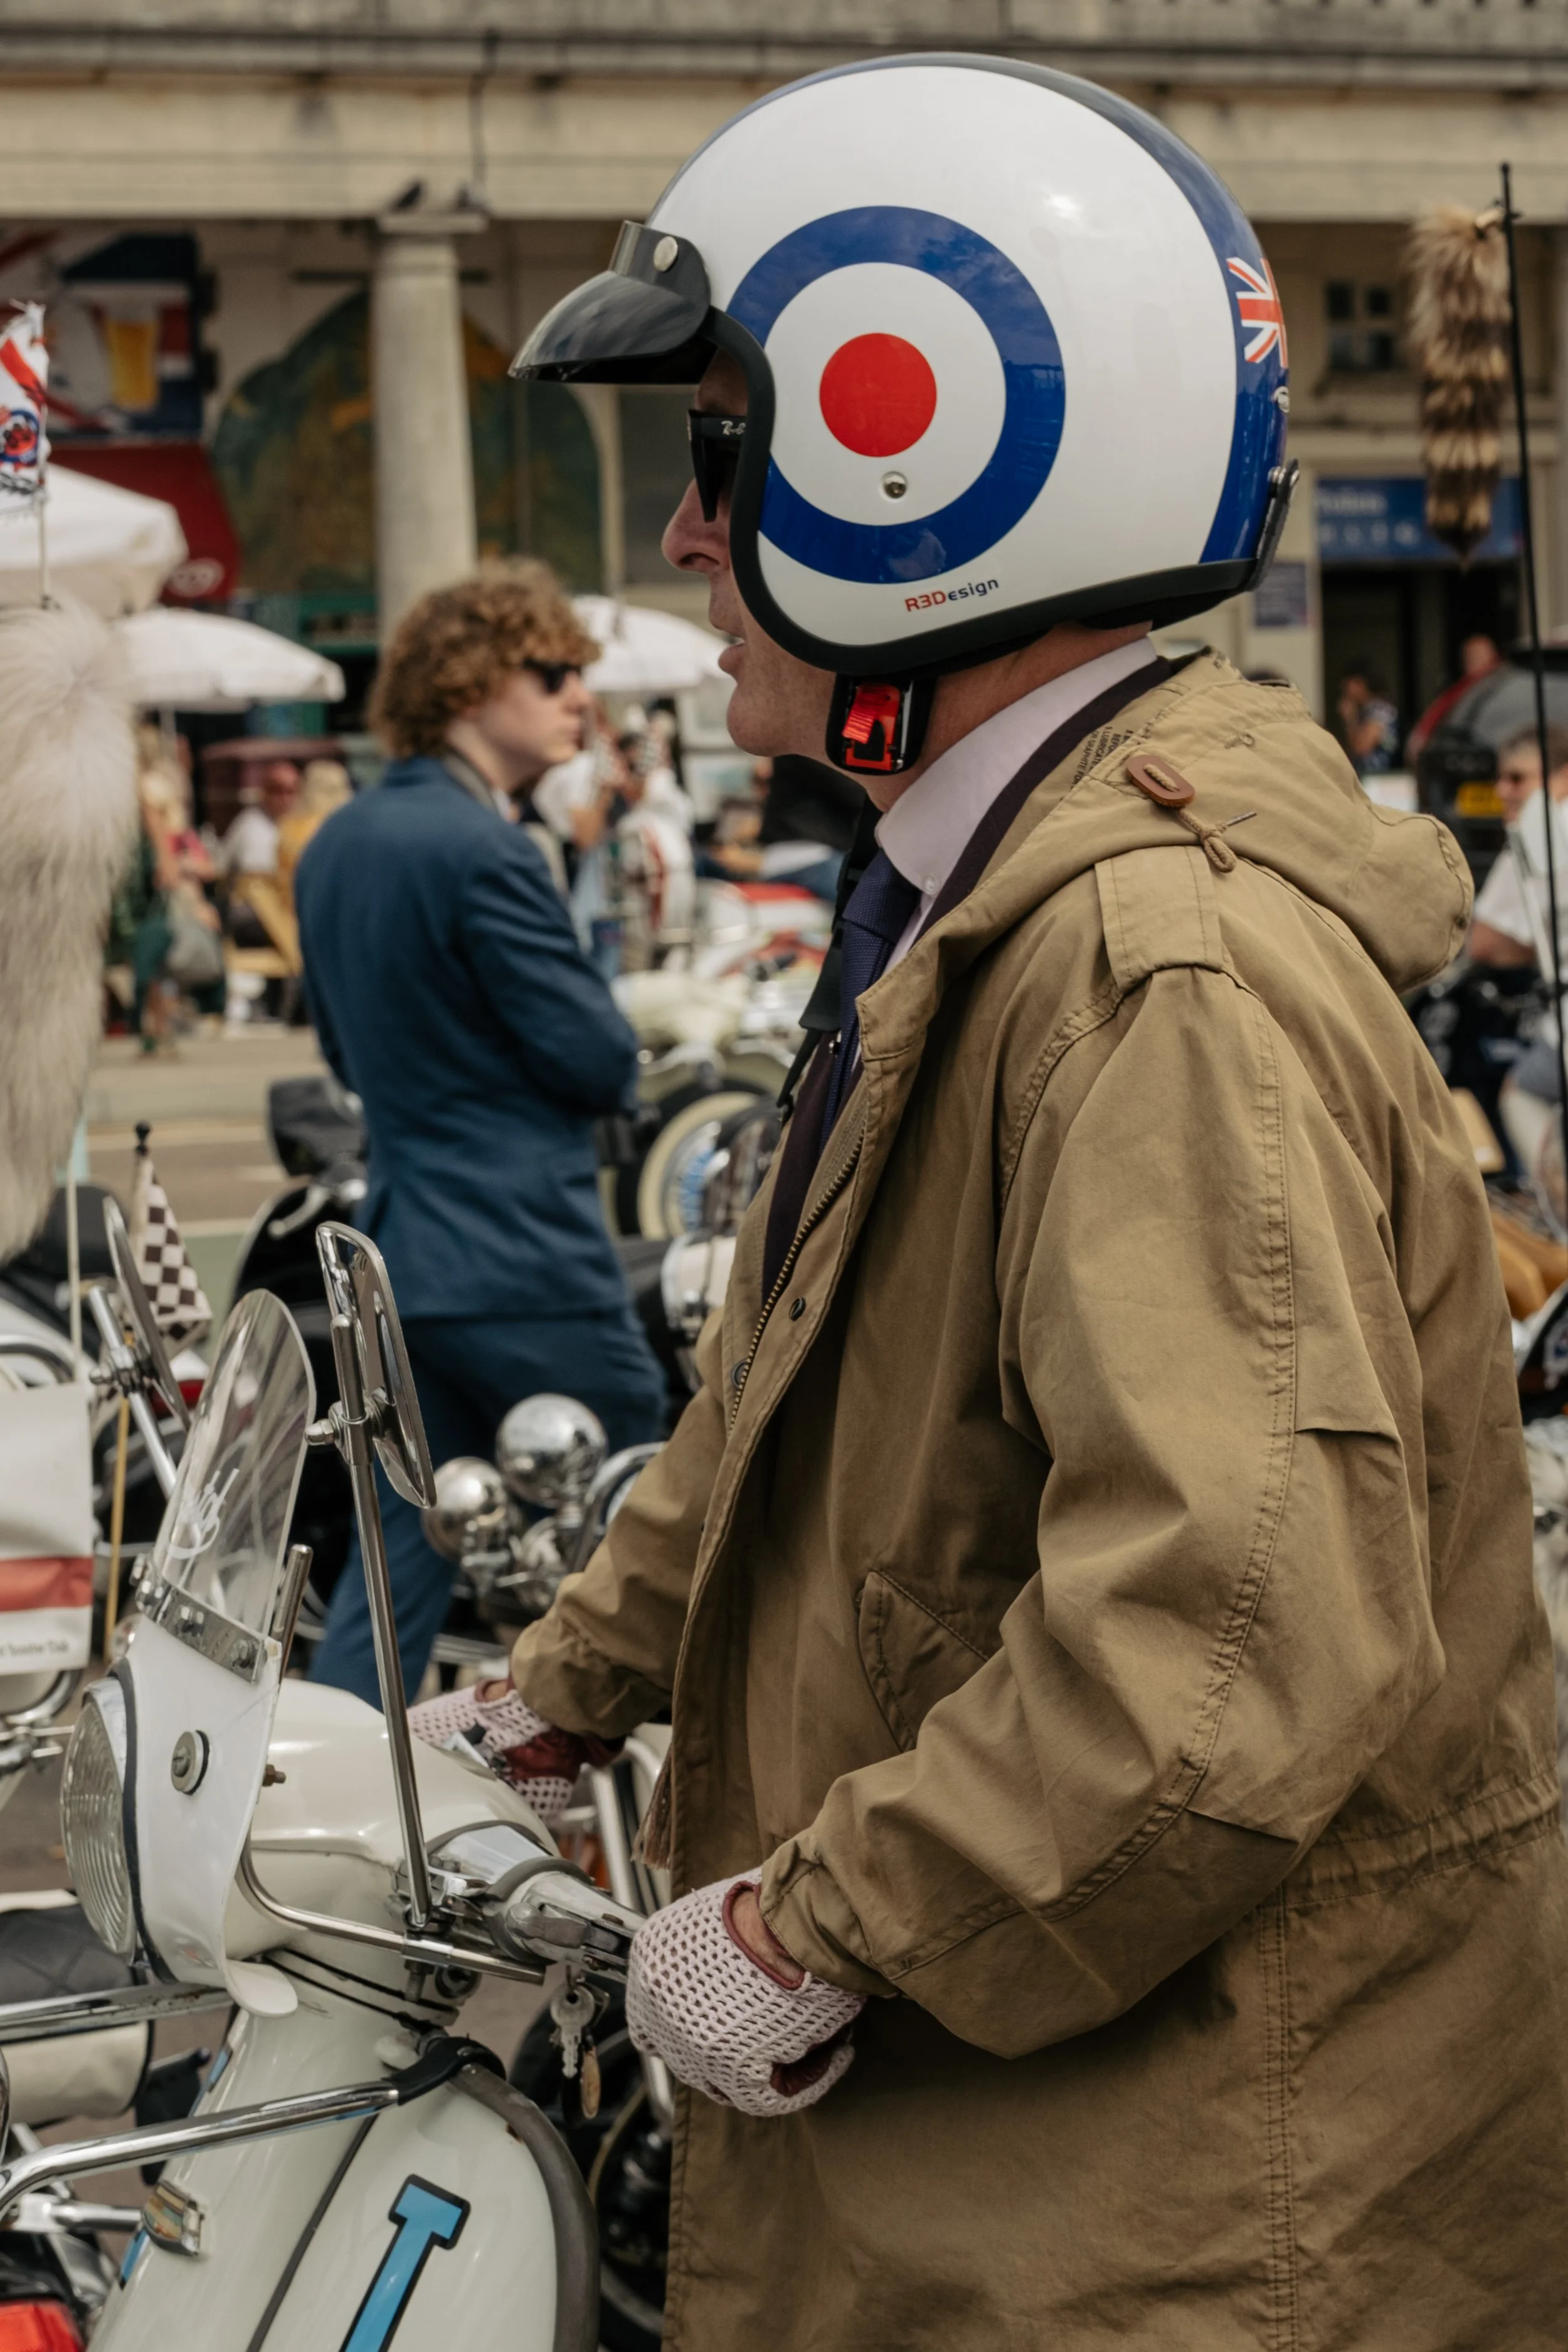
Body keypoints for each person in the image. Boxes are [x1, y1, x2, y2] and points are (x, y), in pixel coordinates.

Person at [419, 63, 1568, 2352]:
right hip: (1070, 2165)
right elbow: (798, 1390)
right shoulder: (992, 907)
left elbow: (1221, 1644)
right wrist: (557, 1690)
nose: (677, 539)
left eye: (720, 455)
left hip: (1178, 2212)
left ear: (924, 460)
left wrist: (807, 1925)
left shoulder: (1149, 971)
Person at [296, 564, 666, 1706]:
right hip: (519, 1254)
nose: (576, 700)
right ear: (468, 684)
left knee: (399, 1570)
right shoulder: (485, 849)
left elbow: (348, 1063)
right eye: (551, 674)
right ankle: (636, 1817)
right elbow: (597, 1055)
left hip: (404, 1254)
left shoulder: (338, 841)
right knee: (651, 1517)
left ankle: (334, 1825)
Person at [1470, 724, 1568, 969]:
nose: (1501, 791)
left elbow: (1485, 944)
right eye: (1499, 778)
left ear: (1565, 777)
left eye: (1517, 779)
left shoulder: (1543, 831)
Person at [1406, 629, 1503, 765]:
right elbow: (1422, 733)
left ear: (1493, 656)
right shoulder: (1460, 689)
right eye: (1469, 657)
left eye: (1477, 656)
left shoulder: (1501, 684)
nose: (1472, 662)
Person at [1335, 659, 1401, 775]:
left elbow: (1362, 748)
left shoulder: (1380, 710)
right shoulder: (1363, 712)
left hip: (1380, 779)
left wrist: (1350, 720)